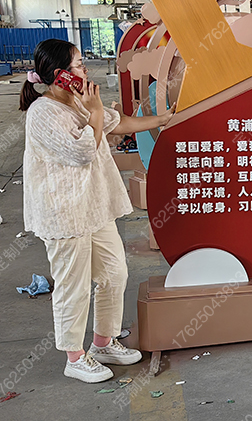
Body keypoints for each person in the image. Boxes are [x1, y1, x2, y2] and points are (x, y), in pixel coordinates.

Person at [20, 39, 174, 383]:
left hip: (93, 208)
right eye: (79, 65)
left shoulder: (79, 102)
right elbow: (82, 153)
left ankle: (103, 343)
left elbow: (117, 124)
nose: (85, 71)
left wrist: (163, 118)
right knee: (73, 286)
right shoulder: (43, 113)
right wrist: (96, 111)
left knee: (114, 274)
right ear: (61, 74)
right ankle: (74, 358)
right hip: (64, 215)